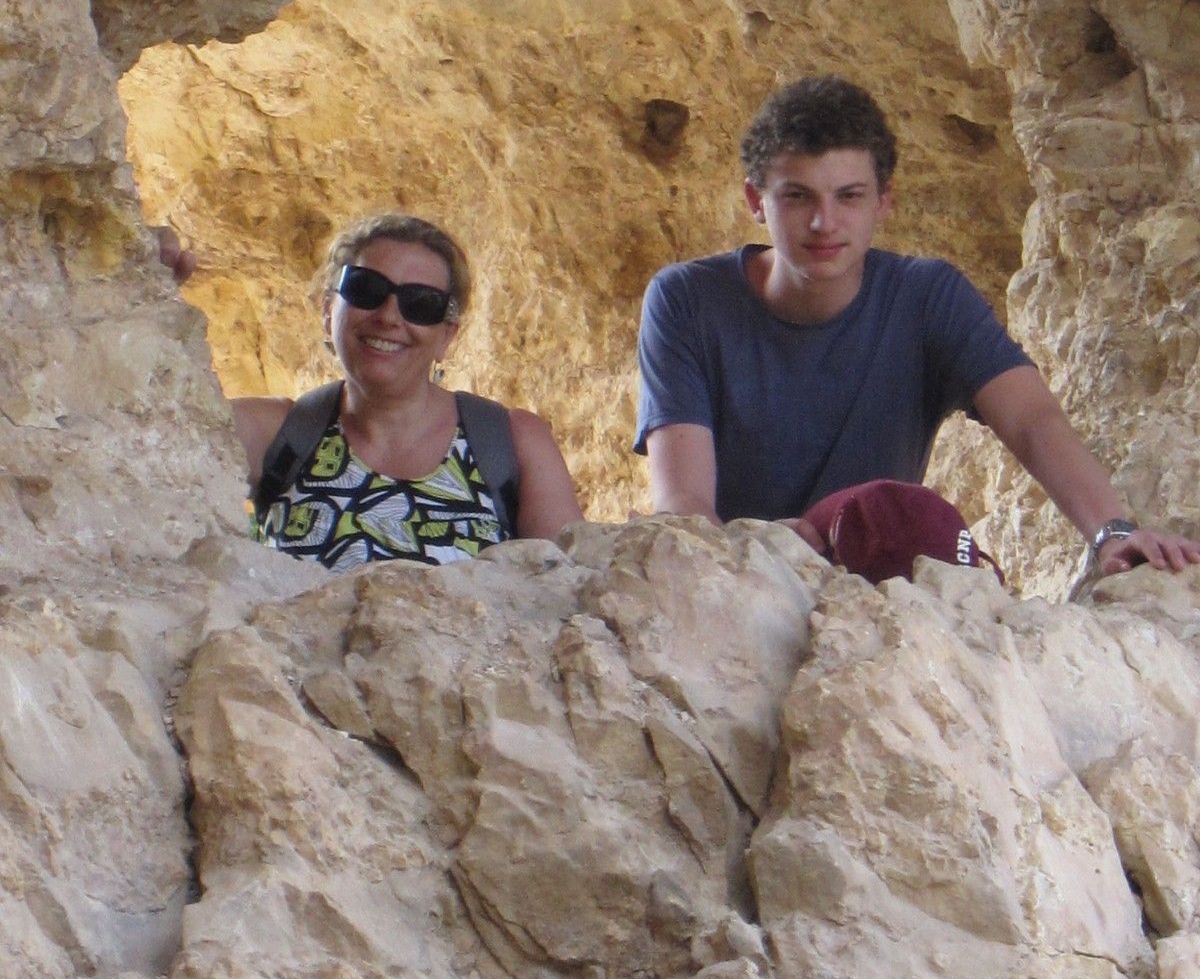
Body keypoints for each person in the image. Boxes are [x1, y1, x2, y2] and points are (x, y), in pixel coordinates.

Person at [635, 75, 1200, 581]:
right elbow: (683, 504)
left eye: (849, 196)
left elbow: (1032, 420)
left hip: (884, 601)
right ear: (756, 200)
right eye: (798, 196)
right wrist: (762, 555)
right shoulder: (687, 301)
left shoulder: (927, 298)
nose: (824, 222)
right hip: (733, 585)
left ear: (884, 201)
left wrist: (1112, 533)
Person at [167, 213, 582, 571]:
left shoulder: (513, 443)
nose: (388, 316)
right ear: (329, 311)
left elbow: (572, 590)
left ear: (446, 336)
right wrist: (149, 291)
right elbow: (153, 423)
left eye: (421, 303)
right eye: (366, 289)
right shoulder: (274, 433)